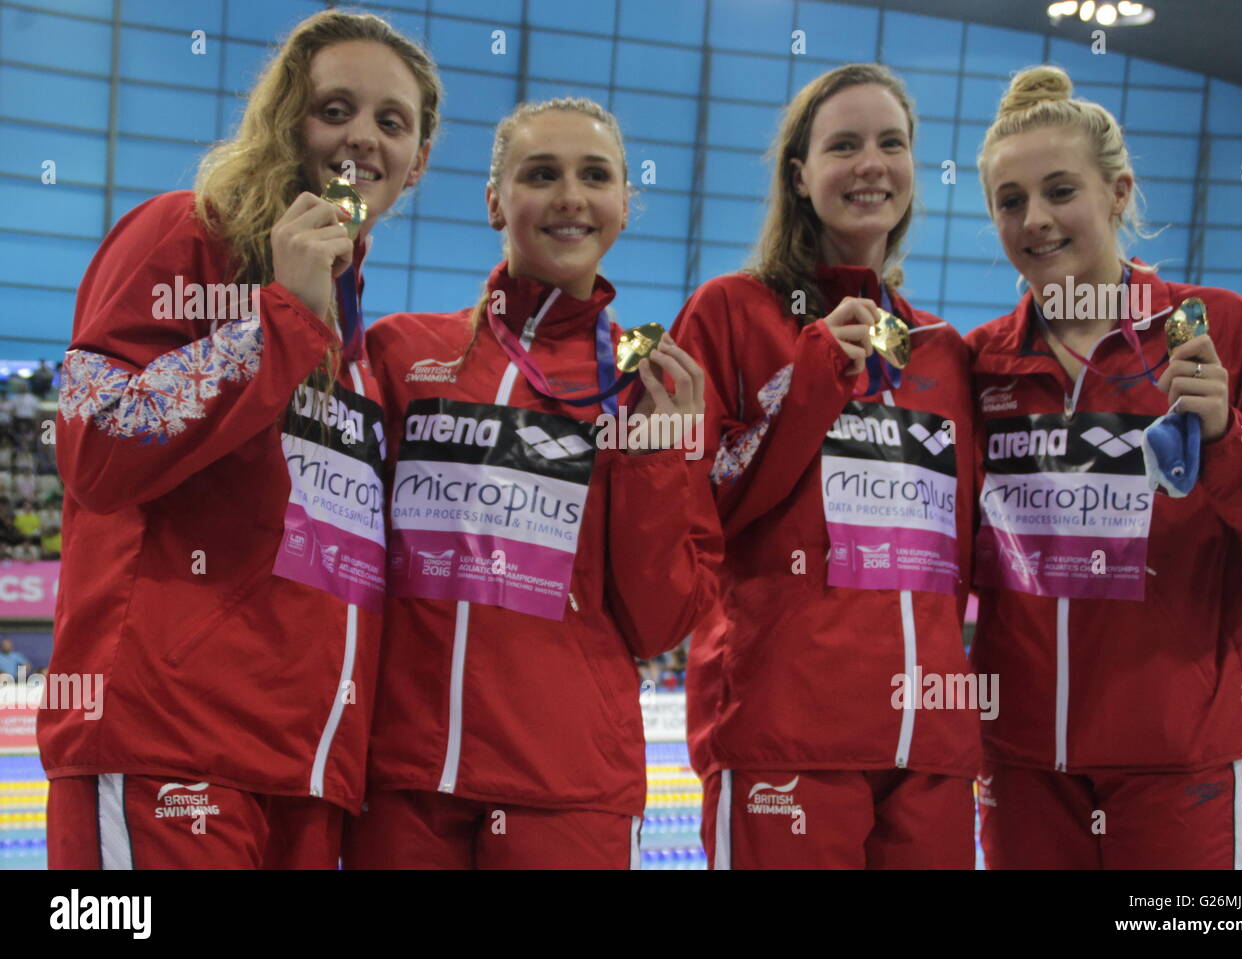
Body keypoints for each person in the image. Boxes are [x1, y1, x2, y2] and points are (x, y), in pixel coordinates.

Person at [41, 10, 441, 869]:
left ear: (419, 162)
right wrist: (277, 319)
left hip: (304, 777)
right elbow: (95, 445)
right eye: (335, 108)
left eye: (391, 121)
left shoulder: (365, 348)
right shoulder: (183, 233)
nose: (361, 138)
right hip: (167, 749)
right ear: (286, 117)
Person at [345, 97, 721, 869]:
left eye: (595, 176)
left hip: (570, 783)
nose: (570, 196)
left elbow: (658, 623)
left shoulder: (653, 384)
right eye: (541, 173)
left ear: (623, 205)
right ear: (494, 202)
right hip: (405, 778)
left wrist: (653, 453)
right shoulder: (400, 355)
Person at [966, 65, 1242, 869]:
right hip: (1021, 766)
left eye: (1059, 191)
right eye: (1011, 202)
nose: (1035, 221)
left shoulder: (1215, 329)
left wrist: (1226, 443)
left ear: (1118, 193)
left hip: (1177, 767)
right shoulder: (979, 364)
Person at [672, 64, 981, 869]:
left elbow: (965, 557)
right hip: (787, 736)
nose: (872, 163)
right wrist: (809, 380)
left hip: (931, 745)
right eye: (844, 145)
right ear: (800, 175)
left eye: (892, 143)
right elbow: (697, 507)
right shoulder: (730, 314)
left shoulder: (942, 352)